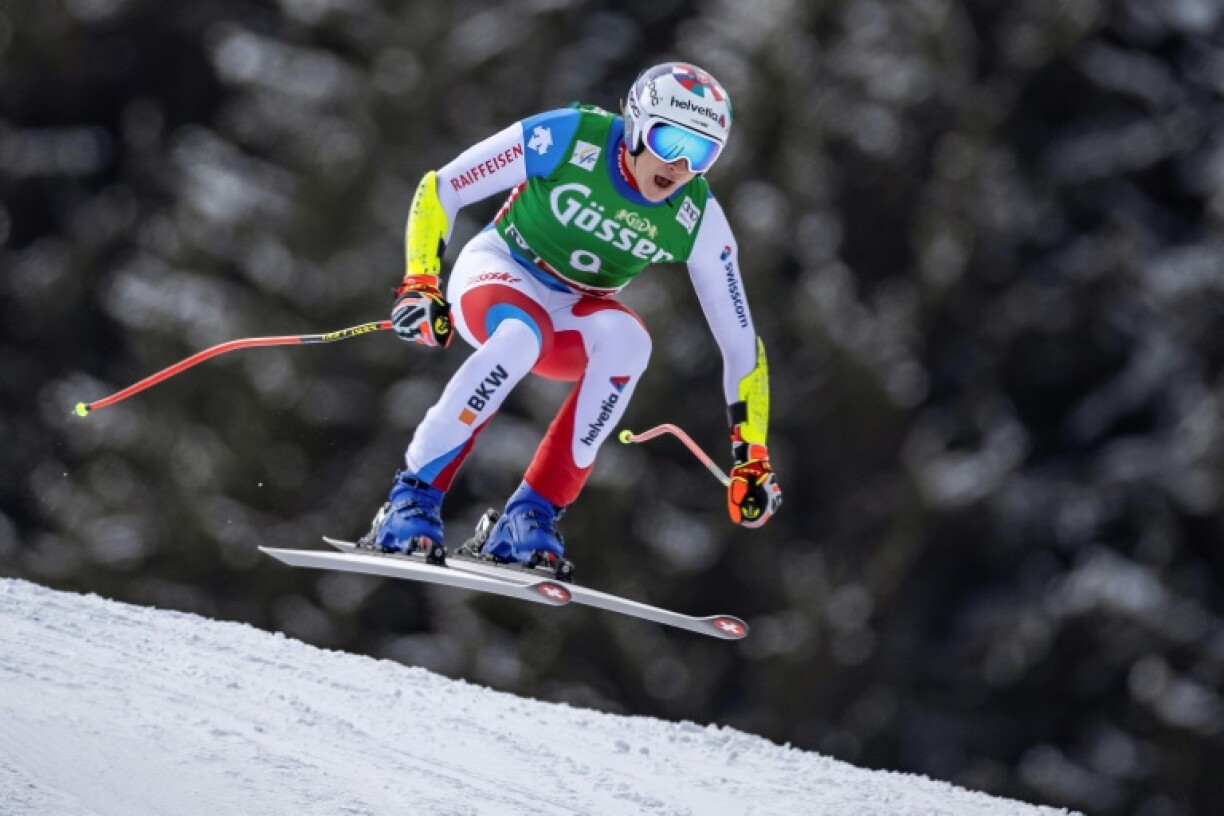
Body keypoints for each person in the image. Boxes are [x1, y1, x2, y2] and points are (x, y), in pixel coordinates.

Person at [362, 61, 783, 578]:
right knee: (519, 336)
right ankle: (412, 500)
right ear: (634, 124)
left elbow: (740, 344)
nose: (678, 165)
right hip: (501, 270)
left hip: (573, 312)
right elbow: (443, 186)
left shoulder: (696, 218)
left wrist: (752, 456)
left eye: (701, 153)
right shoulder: (570, 135)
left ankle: (529, 517)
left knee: (630, 341)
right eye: (669, 140)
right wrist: (420, 282)